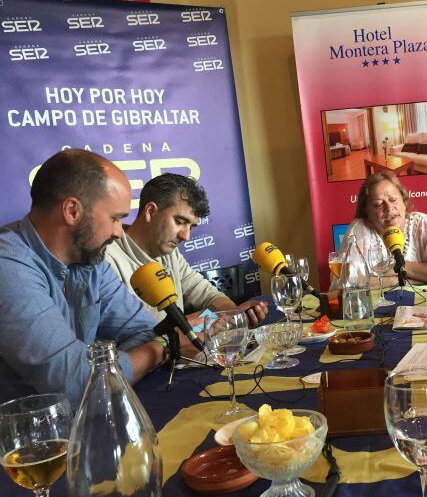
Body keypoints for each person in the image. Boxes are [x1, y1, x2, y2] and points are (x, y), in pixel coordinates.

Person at [0, 150, 197, 404]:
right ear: (72, 211)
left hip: (89, 419)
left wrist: (103, 371)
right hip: (32, 438)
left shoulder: (90, 260)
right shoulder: (8, 266)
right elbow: (75, 382)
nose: (119, 232)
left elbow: (143, 332)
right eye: (116, 218)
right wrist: (166, 347)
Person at [105, 174, 267, 328]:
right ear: (151, 212)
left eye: (191, 226)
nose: (186, 236)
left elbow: (208, 295)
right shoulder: (107, 260)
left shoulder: (169, 252)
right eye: (180, 221)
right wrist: (204, 321)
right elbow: (137, 337)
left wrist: (234, 315)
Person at [332, 172, 427, 288]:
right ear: (367, 212)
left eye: (393, 200)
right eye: (378, 204)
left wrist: (398, 267)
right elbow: (345, 281)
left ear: (404, 202)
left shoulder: (420, 223)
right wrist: (396, 280)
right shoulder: (359, 229)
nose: (389, 208)